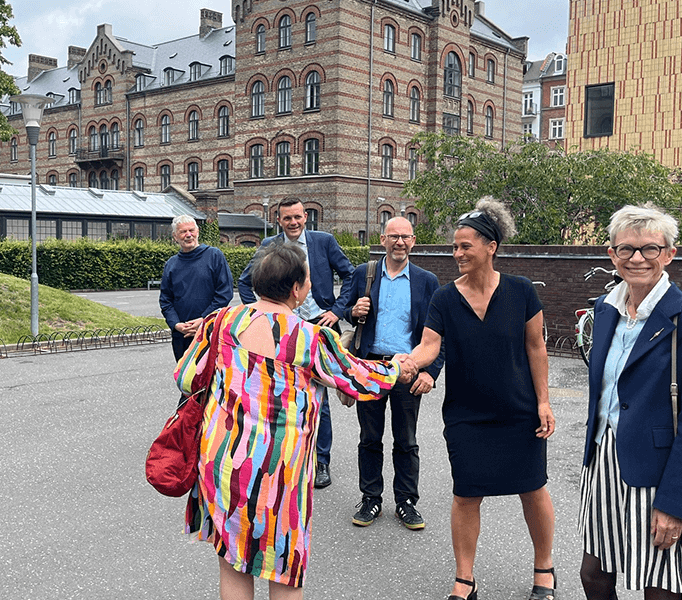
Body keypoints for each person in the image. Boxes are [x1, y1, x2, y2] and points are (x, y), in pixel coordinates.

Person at [177, 242, 418, 599]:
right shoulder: (309, 338)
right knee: (284, 568)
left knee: (232, 560)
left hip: (222, 462)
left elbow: (184, 377)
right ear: (296, 289)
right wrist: (397, 367)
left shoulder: (220, 322)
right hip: (279, 472)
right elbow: (358, 378)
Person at [408, 198, 557, 600]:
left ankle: (544, 569)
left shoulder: (521, 291)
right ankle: (464, 579)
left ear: (491, 246)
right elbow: (429, 345)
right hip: (466, 413)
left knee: (533, 488)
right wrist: (407, 363)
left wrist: (543, 402)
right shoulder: (443, 298)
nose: (457, 254)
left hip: (518, 409)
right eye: (454, 247)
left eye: (465, 246)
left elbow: (536, 348)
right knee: (466, 493)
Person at [578, 205, 682, 600]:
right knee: (593, 574)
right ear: (612, 255)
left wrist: (675, 503)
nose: (637, 258)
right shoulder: (605, 310)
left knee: (659, 587)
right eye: (626, 249)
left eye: (650, 249)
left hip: (658, 470)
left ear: (669, 254)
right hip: (604, 458)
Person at [238, 199, 355, 489]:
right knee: (279, 392)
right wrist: (258, 314)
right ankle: (284, 455)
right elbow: (244, 281)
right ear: (279, 220)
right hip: (280, 326)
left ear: (306, 217)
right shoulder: (269, 244)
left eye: (298, 217)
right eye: (287, 218)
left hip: (318, 323)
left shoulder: (324, 242)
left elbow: (350, 275)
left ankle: (321, 461)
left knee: (320, 395)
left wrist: (337, 310)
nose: (293, 222)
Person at [340, 217, 444, 530]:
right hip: (370, 366)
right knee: (369, 437)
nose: (399, 242)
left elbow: (440, 332)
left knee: (406, 440)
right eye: (393, 236)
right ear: (383, 239)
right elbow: (343, 308)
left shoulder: (427, 281)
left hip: (408, 369)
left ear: (414, 241)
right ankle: (371, 497)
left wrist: (431, 372)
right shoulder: (364, 273)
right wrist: (352, 312)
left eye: (406, 237)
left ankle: (406, 502)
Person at [159, 215, 234, 361]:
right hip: (182, 334)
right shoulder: (171, 264)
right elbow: (166, 300)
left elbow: (224, 294)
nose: (188, 235)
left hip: (210, 331)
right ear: (175, 236)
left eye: (191, 230)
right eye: (183, 232)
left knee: (211, 379)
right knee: (186, 379)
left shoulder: (214, 256)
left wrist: (204, 319)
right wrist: (176, 324)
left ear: (198, 231)